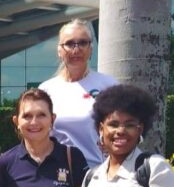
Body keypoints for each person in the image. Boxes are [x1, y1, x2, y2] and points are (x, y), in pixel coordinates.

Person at [39, 19, 118, 168]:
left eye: (83, 43)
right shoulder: (46, 90)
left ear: (91, 48)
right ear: (59, 50)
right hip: (57, 174)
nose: (76, 49)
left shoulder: (109, 86)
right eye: (69, 44)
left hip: (98, 173)